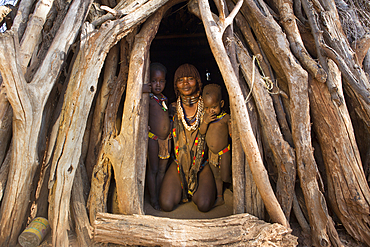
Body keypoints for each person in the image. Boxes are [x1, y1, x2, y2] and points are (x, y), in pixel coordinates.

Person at [159, 64, 216, 212]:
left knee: (204, 204)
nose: (185, 83)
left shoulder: (209, 107)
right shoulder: (171, 109)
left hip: (202, 164)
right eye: (180, 80)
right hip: (178, 162)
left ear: (197, 81)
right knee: (166, 204)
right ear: (175, 85)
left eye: (190, 79)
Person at [144, 62, 171, 210]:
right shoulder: (147, 98)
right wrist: (141, 89)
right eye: (154, 81)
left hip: (165, 140)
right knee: (153, 170)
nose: (158, 85)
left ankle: (160, 196)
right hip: (153, 138)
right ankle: (153, 199)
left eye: (161, 81)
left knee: (162, 170)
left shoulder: (163, 99)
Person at [199, 84, 231, 206]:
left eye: (214, 107)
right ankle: (220, 197)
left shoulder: (225, 118)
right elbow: (202, 132)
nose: (210, 111)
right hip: (212, 155)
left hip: (224, 152)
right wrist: (206, 122)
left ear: (221, 104)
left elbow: (232, 135)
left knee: (224, 176)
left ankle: (232, 186)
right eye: (207, 108)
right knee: (216, 177)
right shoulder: (205, 118)